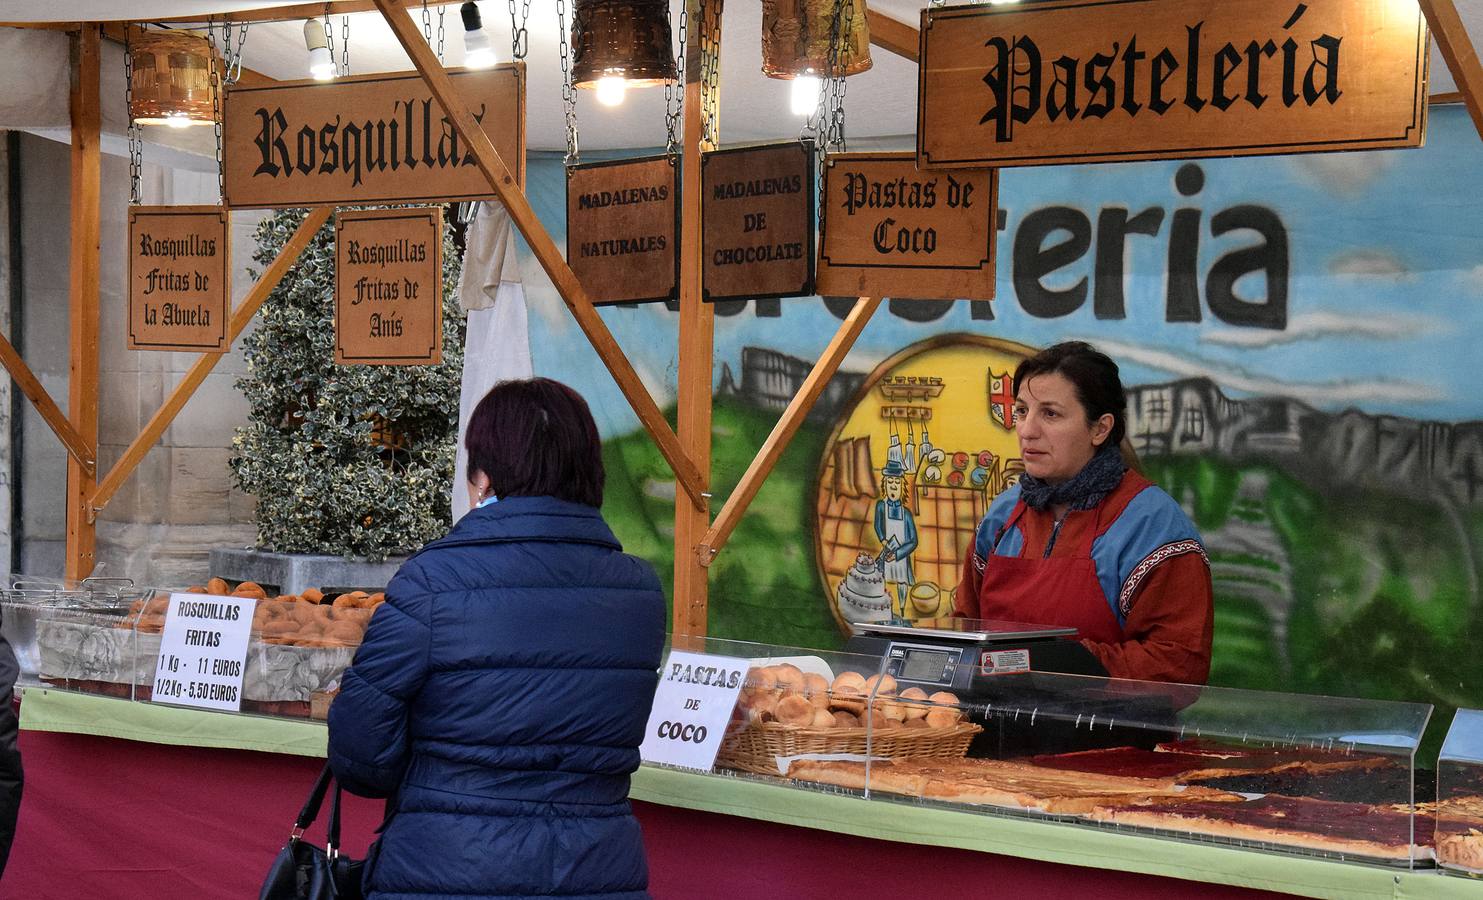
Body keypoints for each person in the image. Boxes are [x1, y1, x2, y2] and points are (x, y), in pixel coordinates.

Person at [328, 377, 666, 900]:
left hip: (447, 869)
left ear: (483, 476)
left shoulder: (431, 583)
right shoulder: (639, 591)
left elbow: (360, 755)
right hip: (596, 872)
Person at [953, 342, 1214, 684]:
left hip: (1111, 733)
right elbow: (966, 624)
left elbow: (1179, 662)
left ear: (1100, 429)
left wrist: (1065, 663)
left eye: (1050, 414)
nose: (1027, 430)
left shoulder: (1153, 526)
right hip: (994, 728)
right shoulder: (1002, 517)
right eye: (1021, 411)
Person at [873, 460, 918, 616]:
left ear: (902, 487)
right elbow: (877, 526)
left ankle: (902, 610)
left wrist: (898, 553)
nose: (893, 485)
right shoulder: (880, 506)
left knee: (902, 582)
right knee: (881, 578)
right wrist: (883, 541)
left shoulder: (906, 514)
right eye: (890, 482)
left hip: (901, 555)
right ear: (885, 485)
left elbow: (913, 541)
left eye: (896, 483)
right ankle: (884, 608)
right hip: (887, 550)